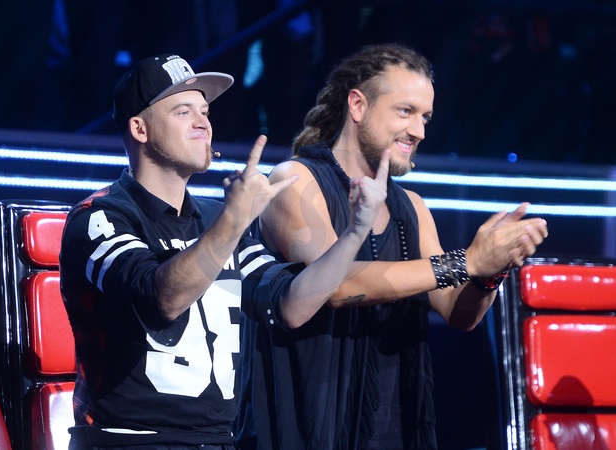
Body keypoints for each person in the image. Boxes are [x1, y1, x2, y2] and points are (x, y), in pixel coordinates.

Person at [59, 53, 389, 449]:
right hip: (129, 441)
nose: (203, 122)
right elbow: (162, 299)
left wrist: (354, 232)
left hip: (218, 441)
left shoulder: (217, 219)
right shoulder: (99, 217)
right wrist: (234, 220)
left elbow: (291, 306)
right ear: (140, 128)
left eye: (205, 112)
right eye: (183, 112)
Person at [235, 43, 549, 449]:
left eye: (425, 117)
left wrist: (490, 271)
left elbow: (458, 313)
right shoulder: (295, 180)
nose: (419, 131)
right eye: (405, 111)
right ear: (358, 105)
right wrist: (466, 261)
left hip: (396, 430)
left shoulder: (412, 207)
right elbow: (336, 287)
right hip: (314, 428)